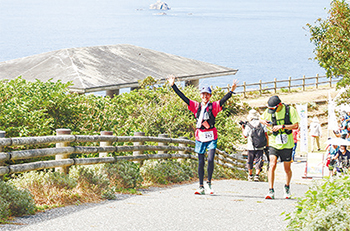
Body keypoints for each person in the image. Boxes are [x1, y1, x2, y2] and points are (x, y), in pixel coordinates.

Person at [168, 75, 238, 195]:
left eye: (207, 94)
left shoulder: (214, 106)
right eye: (203, 94)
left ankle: (209, 183)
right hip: (200, 136)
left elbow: (223, 100)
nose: (205, 96)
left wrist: (231, 91)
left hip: (211, 136)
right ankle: (200, 186)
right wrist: (173, 85)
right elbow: (183, 98)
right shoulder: (196, 106)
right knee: (201, 162)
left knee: (210, 159)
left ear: (210, 96)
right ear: (200, 95)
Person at [260, 95, 300, 199]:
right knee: (272, 164)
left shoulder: (290, 110)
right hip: (274, 142)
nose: (272, 111)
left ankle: (287, 187)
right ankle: (271, 190)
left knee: (287, 168)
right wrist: (264, 122)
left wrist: (282, 126)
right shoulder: (269, 111)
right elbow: (261, 119)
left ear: (280, 105)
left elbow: (296, 125)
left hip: (287, 143)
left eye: (274, 109)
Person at [241, 109, 268, 182]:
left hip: (251, 146)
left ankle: (250, 175)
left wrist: (243, 128)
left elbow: (245, 135)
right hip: (260, 146)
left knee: (250, 160)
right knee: (259, 160)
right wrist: (267, 144)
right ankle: (257, 175)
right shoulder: (261, 123)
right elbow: (266, 134)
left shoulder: (249, 125)